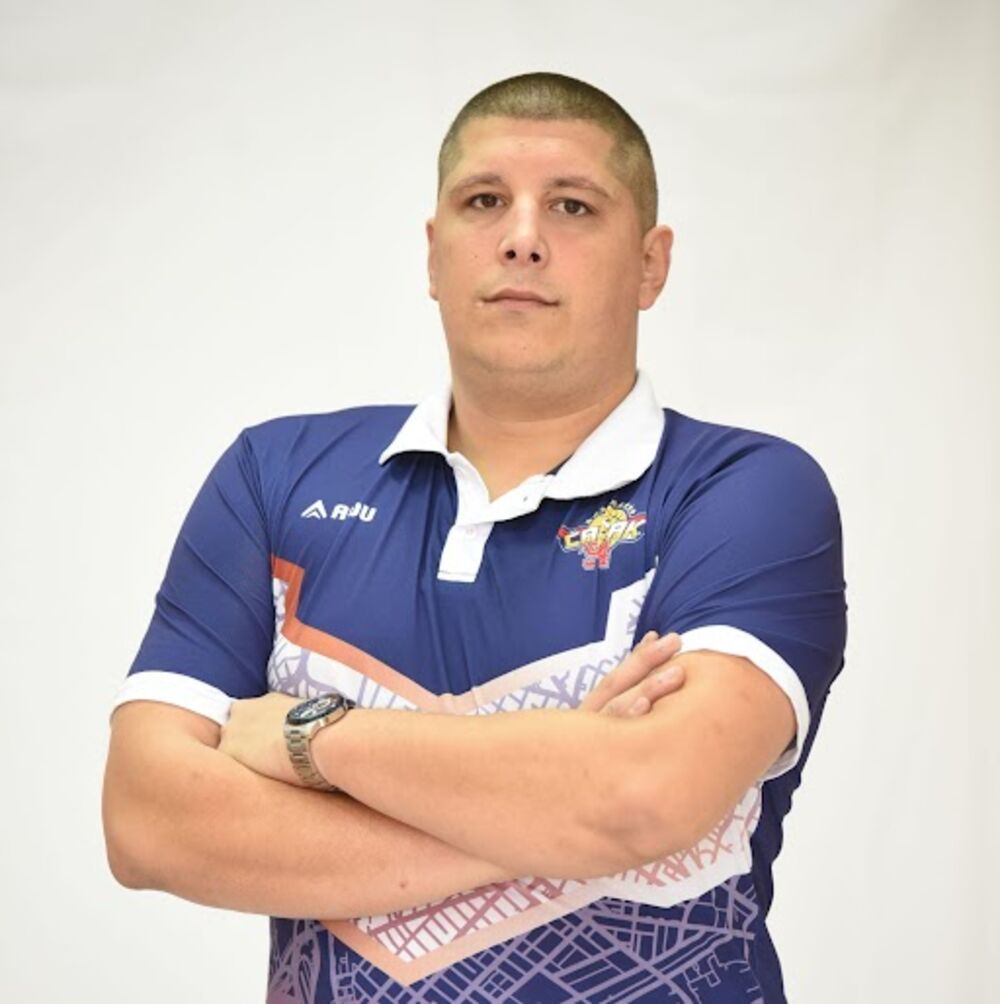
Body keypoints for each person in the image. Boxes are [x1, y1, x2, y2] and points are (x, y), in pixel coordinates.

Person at [102, 71, 847, 1004]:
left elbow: (640, 796)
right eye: (484, 201)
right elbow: (148, 823)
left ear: (651, 264)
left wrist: (306, 738)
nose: (522, 237)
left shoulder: (746, 491)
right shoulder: (276, 474)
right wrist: (559, 812)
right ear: (433, 253)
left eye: (573, 206)